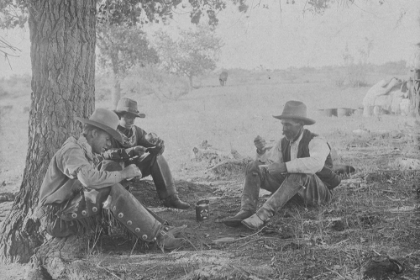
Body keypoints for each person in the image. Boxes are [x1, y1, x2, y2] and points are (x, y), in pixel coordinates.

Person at [36, 108, 184, 250]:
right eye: (107, 139)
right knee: (111, 186)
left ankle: (161, 227)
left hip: (66, 211)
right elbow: (89, 180)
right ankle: (158, 237)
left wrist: (124, 173)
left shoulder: (84, 150)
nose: (108, 144)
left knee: (112, 176)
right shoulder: (72, 151)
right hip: (56, 219)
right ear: (94, 133)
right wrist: (124, 173)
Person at [221, 100, 341, 230]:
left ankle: (263, 215)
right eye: (282, 124)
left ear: (300, 124)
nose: (283, 129)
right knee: (253, 166)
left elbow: (315, 164)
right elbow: (270, 166)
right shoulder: (283, 143)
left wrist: (284, 166)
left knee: (299, 174)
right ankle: (247, 210)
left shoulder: (316, 141)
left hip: (318, 193)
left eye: (288, 125)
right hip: (294, 193)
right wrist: (261, 152)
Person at [100, 97, 190, 209]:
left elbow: (151, 147)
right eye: (128, 116)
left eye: (133, 117)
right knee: (111, 165)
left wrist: (158, 146)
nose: (131, 121)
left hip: (136, 170)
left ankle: (171, 198)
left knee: (157, 157)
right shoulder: (110, 131)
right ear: (120, 116)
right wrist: (129, 152)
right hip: (117, 171)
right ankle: (121, 203)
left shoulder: (137, 131)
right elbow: (104, 153)